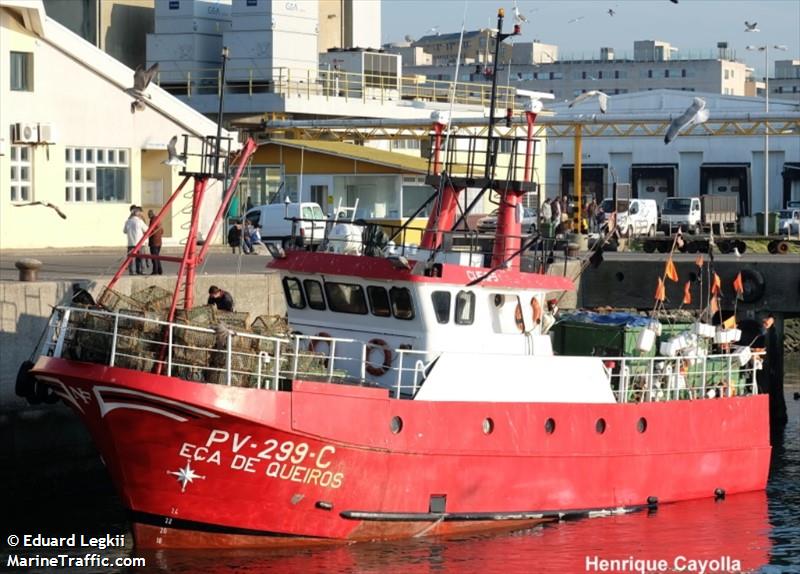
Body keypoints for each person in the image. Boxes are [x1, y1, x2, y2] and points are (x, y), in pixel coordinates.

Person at [123, 207, 147, 275]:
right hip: (140, 243)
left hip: (131, 242)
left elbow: (124, 231)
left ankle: (132, 271)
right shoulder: (140, 221)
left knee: (131, 258)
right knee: (141, 257)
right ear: (137, 213)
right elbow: (146, 229)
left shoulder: (127, 221)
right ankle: (142, 270)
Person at [147, 209, 163, 275]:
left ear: (150, 215)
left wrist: (147, 234)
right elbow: (162, 231)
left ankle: (155, 270)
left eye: (148, 215)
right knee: (157, 256)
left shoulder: (153, 220)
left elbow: (151, 230)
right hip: (159, 241)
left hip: (154, 241)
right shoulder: (159, 220)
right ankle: (159, 270)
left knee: (154, 257)